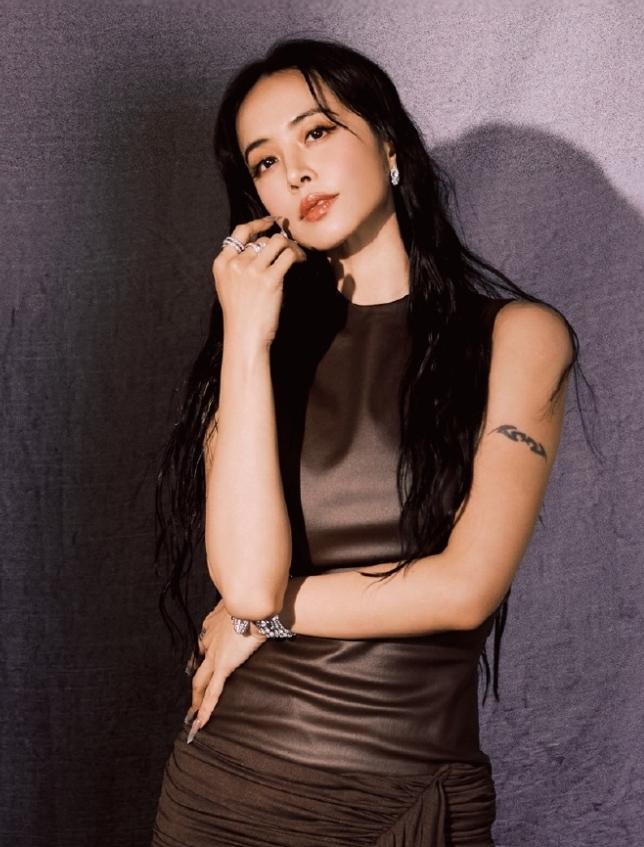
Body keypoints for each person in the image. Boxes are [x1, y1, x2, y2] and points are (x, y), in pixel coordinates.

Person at [150, 36, 589, 846]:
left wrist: (260, 621)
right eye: (265, 161)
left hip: (404, 795)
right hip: (227, 786)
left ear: (389, 144)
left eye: (316, 132)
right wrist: (244, 337)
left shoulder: (519, 338)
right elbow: (245, 582)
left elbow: (465, 589)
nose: (295, 172)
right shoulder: (253, 355)